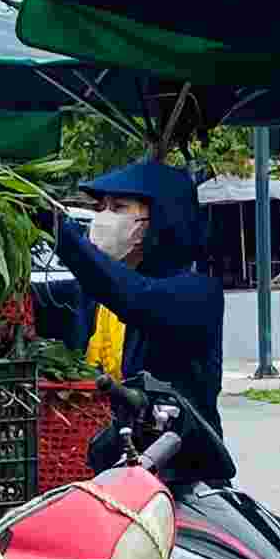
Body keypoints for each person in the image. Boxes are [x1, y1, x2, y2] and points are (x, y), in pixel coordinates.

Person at [37, 160, 225, 437]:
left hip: (181, 463)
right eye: (100, 208)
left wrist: (55, 227)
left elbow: (130, 295)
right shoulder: (88, 297)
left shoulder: (197, 294)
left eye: (118, 208)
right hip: (117, 459)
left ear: (160, 221)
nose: (104, 218)